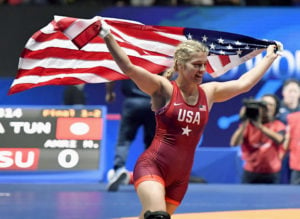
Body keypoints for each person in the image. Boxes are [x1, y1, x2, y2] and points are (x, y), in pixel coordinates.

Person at [99, 19, 280, 219]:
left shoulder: (209, 92)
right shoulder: (164, 88)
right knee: (157, 216)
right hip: (152, 166)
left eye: (204, 64)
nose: (202, 70)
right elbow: (130, 69)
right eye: (196, 65)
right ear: (179, 65)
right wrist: (107, 36)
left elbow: (243, 84)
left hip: (180, 178)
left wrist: (269, 58)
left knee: (147, 216)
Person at [105, 80, 156, 191]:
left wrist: (109, 92)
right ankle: (149, 174)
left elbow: (111, 77)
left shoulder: (129, 62)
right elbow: (168, 75)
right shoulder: (155, 62)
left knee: (124, 141)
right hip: (152, 103)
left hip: (132, 102)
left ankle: (119, 169)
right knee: (151, 142)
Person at [230, 94, 286, 184]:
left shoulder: (278, 125)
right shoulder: (248, 126)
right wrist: (244, 122)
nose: (267, 107)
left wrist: (260, 126)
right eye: (264, 104)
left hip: (272, 173)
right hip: (250, 172)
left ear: (276, 109)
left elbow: (279, 140)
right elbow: (234, 143)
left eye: (271, 105)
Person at [277, 79, 300, 184]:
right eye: (289, 91)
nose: (292, 94)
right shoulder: (276, 108)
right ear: (283, 92)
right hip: (280, 151)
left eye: (295, 91)